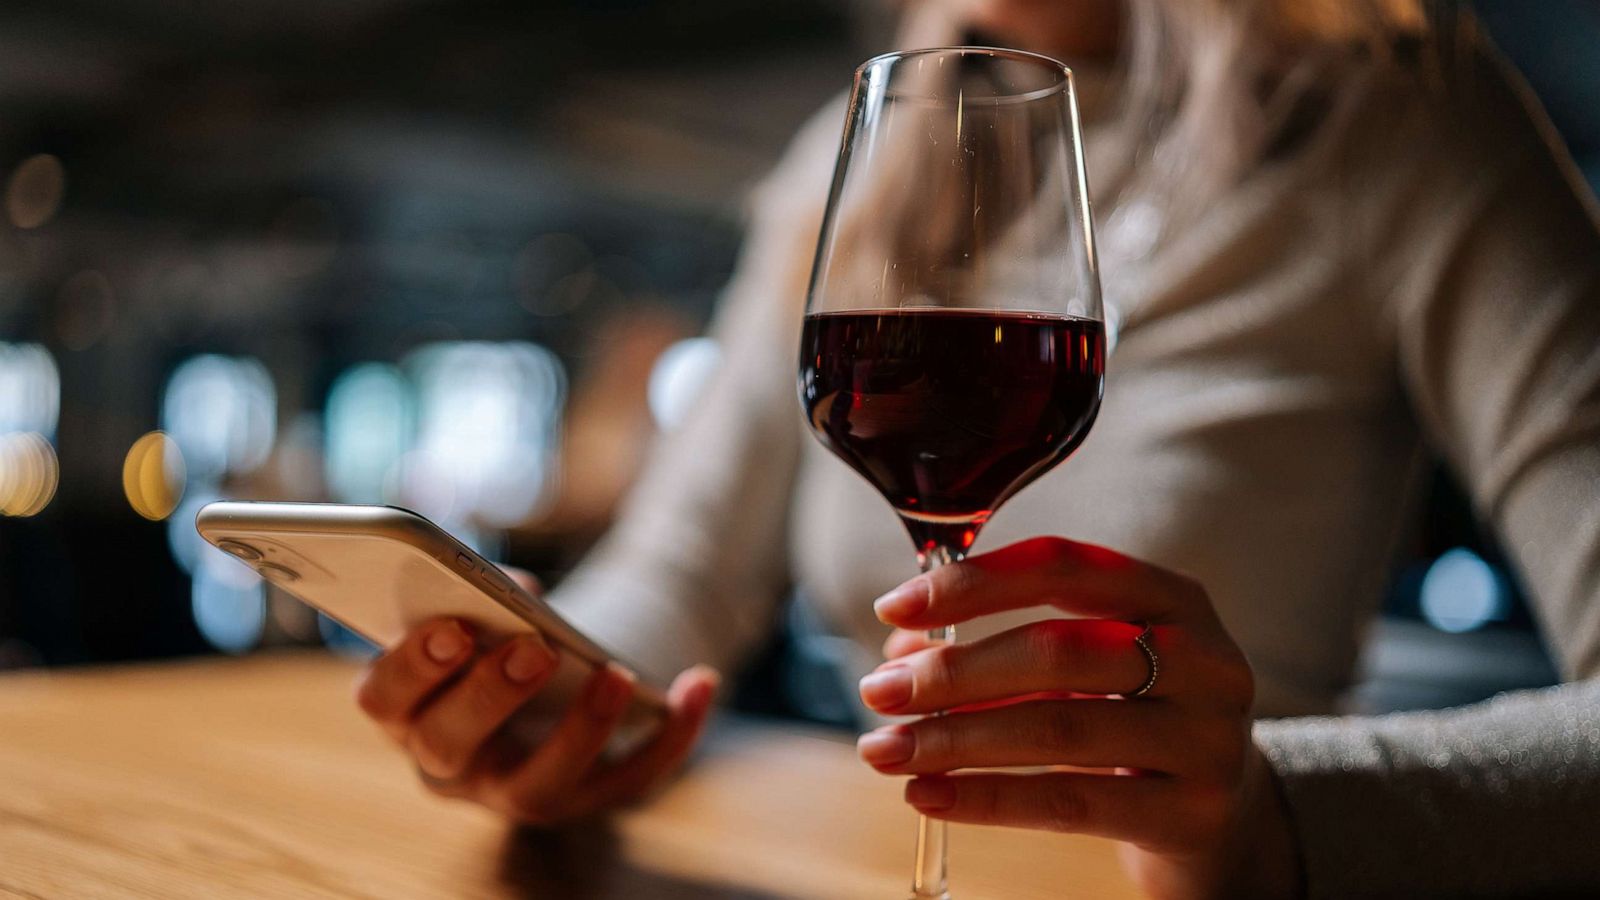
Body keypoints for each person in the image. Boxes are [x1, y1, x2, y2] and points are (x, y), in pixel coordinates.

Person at [351, 1, 1600, 897]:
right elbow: (679, 575)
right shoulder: (856, 153)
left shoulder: (1400, 109)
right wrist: (546, 696)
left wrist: (1277, 815)